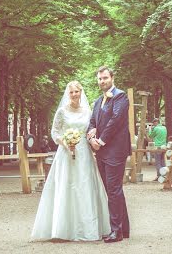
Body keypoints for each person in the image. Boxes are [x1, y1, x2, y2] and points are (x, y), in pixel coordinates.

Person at [31, 81, 110, 241]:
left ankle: (88, 228)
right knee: (66, 186)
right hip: (65, 153)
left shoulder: (88, 112)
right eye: (71, 92)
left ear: (81, 93)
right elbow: (54, 132)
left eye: (76, 92)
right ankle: (62, 229)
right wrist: (65, 142)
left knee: (84, 186)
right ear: (68, 94)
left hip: (84, 153)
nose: (74, 94)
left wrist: (91, 139)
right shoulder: (62, 111)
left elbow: (91, 131)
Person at [87, 66, 131, 243]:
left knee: (113, 189)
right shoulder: (98, 101)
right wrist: (91, 137)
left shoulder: (120, 96)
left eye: (105, 78)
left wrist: (101, 140)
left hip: (115, 150)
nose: (102, 81)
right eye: (99, 79)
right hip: (101, 152)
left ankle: (116, 231)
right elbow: (91, 122)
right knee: (112, 190)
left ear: (112, 78)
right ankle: (124, 228)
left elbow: (116, 120)